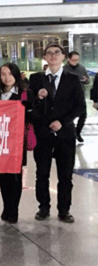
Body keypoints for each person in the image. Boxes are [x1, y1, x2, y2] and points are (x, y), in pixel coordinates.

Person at [28, 43, 85, 223]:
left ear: (63, 57)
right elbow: (29, 105)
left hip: (65, 133)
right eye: (49, 53)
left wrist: (62, 122)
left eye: (57, 53)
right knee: (42, 173)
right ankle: (43, 207)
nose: (53, 56)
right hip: (43, 133)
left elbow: (80, 106)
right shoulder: (36, 79)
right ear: (44, 57)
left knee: (65, 175)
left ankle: (64, 210)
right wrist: (38, 97)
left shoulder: (72, 79)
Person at [0, 63, 31, 224]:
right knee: (3, 175)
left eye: (10, 74)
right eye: (3, 74)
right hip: (0, 140)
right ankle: (6, 207)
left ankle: (14, 210)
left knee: (15, 175)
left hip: (17, 141)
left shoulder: (24, 94)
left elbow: (32, 115)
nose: (7, 78)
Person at [63, 51, 90, 143]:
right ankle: (70, 133)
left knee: (83, 115)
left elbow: (88, 81)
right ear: (69, 59)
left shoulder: (82, 68)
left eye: (77, 60)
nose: (75, 62)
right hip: (68, 96)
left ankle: (78, 132)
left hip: (80, 95)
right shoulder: (64, 69)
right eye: (73, 60)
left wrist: (86, 80)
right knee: (69, 116)